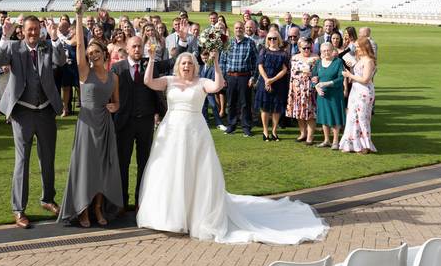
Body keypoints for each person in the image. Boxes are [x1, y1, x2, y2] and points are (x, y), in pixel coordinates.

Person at [135, 50, 327, 244]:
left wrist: (216, 62)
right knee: (170, 171)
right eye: (183, 63)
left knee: (194, 171)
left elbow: (218, 85)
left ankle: (194, 215)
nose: (186, 66)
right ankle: (168, 215)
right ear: (178, 65)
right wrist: (150, 58)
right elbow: (148, 81)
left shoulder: (201, 82)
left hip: (194, 132)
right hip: (171, 131)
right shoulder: (169, 80)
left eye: (190, 64)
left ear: (195, 66)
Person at [0, 14, 67, 228]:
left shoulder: (47, 46)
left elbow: (60, 61)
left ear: (40, 30)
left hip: (45, 111)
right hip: (22, 112)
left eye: (36, 29)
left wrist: (55, 38)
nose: (33, 33)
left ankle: (48, 199)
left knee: (48, 158)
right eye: (29, 29)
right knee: (22, 161)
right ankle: (19, 209)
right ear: (22, 31)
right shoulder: (14, 48)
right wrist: (4, 36)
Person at [59, 4, 123, 227]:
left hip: (105, 126)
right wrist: (78, 16)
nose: (93, 54)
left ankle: (98, 208)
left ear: (104, 54)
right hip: (87, 126)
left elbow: (116, 102)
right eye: (90, 53)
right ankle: (83, 210)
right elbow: (79, 49)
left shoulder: (114, 77)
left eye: (97, 52)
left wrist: (115, 107)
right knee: (86, 169)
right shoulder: (84, 72)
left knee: (103, 169)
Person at [109, 36, 176, 208]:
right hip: (124, 123)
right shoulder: (117, 68)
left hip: (146, 122)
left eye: (140, 46)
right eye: (134, 47)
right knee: (122, 163)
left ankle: (141, 200)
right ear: (127, 48)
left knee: (145, 163)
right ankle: (121, 201)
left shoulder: (150, 65)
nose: (137, 49)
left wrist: (181, 43)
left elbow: (171, 62)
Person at [339, 38, 377, 154]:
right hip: (356, 90)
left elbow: (365, 79)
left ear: (364, 47)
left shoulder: (369, 61)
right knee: (352, 116)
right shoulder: (360, 59)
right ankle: (352, 144)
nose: (355, 49)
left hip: (364, 92)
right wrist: (351, 71)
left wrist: (350, 74)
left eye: (357, 47)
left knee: (362, 118)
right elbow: (358, 76)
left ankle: (365, 145)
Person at [221, 21, 258, 137]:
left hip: (244, 77)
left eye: (241, 28)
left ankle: (246, 126)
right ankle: (231, 125)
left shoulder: (250, 43)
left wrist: (253, 77)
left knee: (245, 103)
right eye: (236, 28)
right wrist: (223, 77)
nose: (239, 30)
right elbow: (223, 61)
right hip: (230, 76)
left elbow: (256, 63)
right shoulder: (228, 43)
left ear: (244, 29)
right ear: (234, 29)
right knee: (231, 102)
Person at [255, 30, 290, 141]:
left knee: (276, 108)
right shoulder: (263, 51)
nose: (272, 40)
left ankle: (274, 131)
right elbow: (260, 66)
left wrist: (272, 80)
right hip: (264, 82)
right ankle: (265, 131)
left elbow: (285, 69)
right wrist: (266, 80)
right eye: (270, 38)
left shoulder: (284, 53)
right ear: (267, 40)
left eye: (274, 38)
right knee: (264, 108)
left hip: (279, 83)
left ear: (278, 39)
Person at [312, 44, 345, 149]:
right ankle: (326, 140)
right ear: (321, 51)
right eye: (324, 51)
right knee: (324, 117)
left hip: (335, 95)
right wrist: (316, 87)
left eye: (328, 50)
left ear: (332, 50)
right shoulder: (318, 62)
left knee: (335, 117)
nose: (326, 53)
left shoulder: (338, 62)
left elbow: (341, 79)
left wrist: (327, 83)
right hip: (322, 95)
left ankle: (335, 141)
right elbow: (313, 77)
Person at [287, 38, 318, 144]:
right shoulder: (294, 58)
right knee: (299, 113)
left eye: (309, 48)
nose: (306, 50)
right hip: (296, 90)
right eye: (304, 48)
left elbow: (318, 74)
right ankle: (303, 133)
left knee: (310, 114)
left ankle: (310, 136)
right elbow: (291, 74)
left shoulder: (315, 58)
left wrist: (311, 74)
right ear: (299, 48)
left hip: (309, 89)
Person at [200, 50, 224, 129]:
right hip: (202, 91)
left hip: (210, 91)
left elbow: (214, 79)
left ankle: (219, 123)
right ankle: (206, 122)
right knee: (204, 107)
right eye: (203, 58)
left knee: (214, 106)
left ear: (209, 57)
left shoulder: (213, 67)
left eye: (206, 58)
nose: (204, 60)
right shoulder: (201, 67)